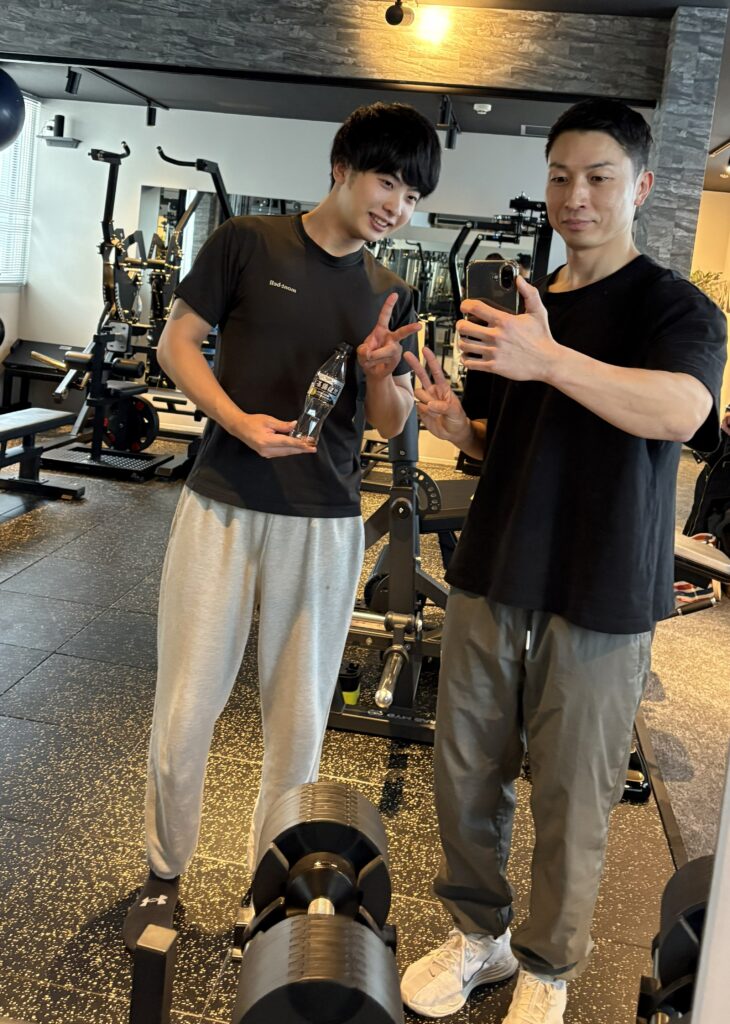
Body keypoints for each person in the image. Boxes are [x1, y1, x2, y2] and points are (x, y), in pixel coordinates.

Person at [400, 98, 727, 1023]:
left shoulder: (677, 309)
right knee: (465, 772)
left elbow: (682, 411)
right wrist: (454, 424)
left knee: (573, 794)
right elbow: (498, 437)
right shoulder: (518, 307)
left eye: (598, 177)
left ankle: (548, 963)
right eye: (560, 176)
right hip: (494, 568)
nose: (575, 195)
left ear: (641, 186)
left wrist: (550, 360)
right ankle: (481, 936)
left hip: (601, 589)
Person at [122, 101, 441, 950]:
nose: (396, 206)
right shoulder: (247, 243)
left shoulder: (388, 289)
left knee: (298, 724)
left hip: (323, 520)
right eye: (387, 182)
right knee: (186, 707)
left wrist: (383, 374)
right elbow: (177, 344)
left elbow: (387, 420)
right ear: (342, 166)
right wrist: (236, 420)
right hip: (222, 503)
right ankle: (163, 874)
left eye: (412, 197)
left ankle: (266, 889)